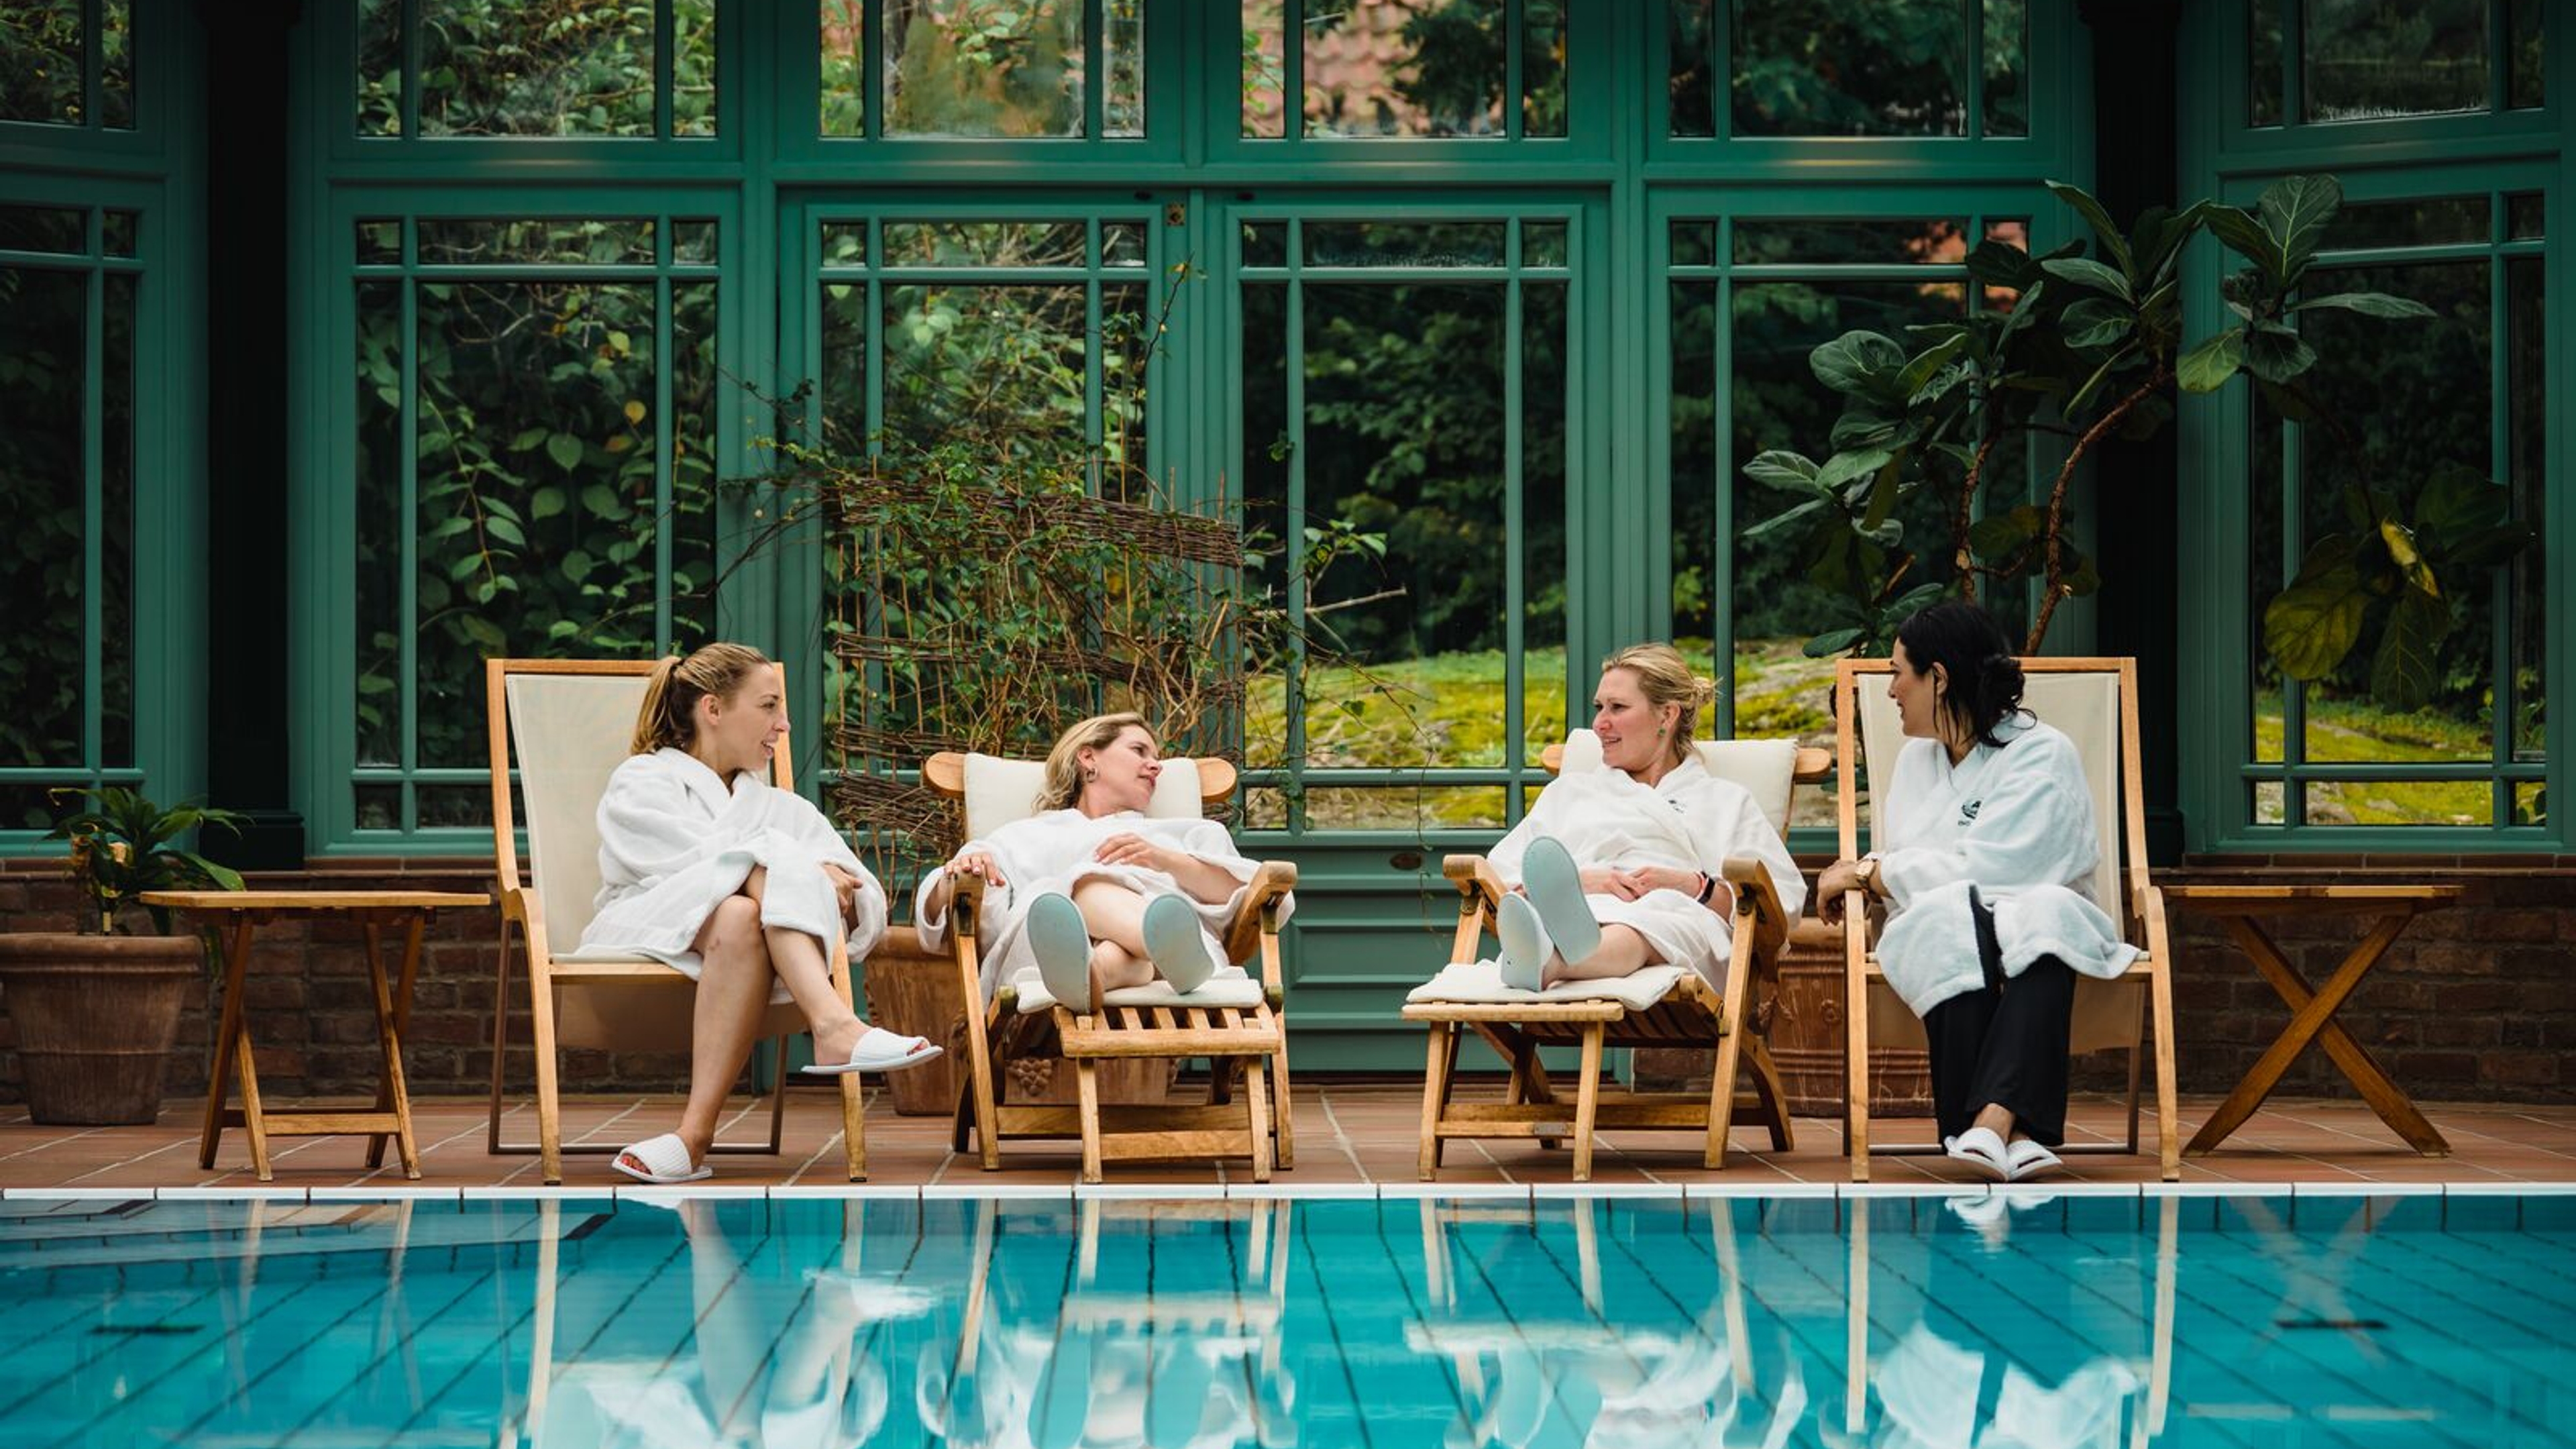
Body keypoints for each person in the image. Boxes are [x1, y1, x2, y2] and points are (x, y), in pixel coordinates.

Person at [579, 642, 939, 1185]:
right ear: (713, 709)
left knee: (740, 915)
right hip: (640, 931)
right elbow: (689, 866)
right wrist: (798, 868)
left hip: (737, 947)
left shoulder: (777, 807)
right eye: (769, 707)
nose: (784, 725)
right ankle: (833, 1023)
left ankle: (692, 1138)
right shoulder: (641, 781)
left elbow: (863, 895)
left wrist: (800, 870)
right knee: (748, 875)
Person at [1815, 600, 2139, 1183]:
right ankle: (2017, 1135)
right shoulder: (1916, 763)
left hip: (2040, 927)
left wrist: (1869, 872)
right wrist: (1894, 871)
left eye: (1898, 673)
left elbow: (2005, 867)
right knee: (1946, 916)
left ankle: (1987, 1121)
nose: (1890, 690)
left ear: (1938, 678)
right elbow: (1932, 870)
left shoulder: (2042, 753)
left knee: (2046, 915)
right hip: (1952, 925)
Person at [1479, 643, 1805, 993]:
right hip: (1586, 909)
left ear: (1667, 716)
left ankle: (1550, 962)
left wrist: (1694, 886)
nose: (1599, 724)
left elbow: (1779, 909)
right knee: (1588, 913)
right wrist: (1580, 883)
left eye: (1617, 707)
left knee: (1649, 923)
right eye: (1599, 708)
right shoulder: (1570, 793)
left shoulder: (1725, 802)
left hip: (1679, 920)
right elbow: (1503, 882)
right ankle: (1556, 944)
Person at [914, 712, 1284, 1012]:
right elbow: (944, 908)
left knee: (1102, 908)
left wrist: (1163, 859)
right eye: (1139, 750)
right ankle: (1168, 955)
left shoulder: (1184, 833)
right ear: (1089, 758)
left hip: (1133, 964)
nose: (1155, 766)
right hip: (1056, 959)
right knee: (1084, 886)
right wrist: (961, 872)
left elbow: (1248, 896)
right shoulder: (1027, 834)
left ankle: (1098, 972)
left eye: (1157, 759)